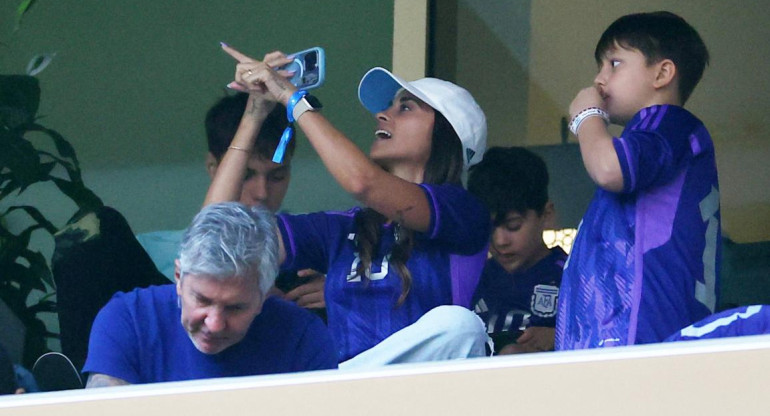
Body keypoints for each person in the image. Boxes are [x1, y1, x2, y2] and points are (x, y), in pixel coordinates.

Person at [208, 45, 491, 367]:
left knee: (459, 326)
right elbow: (216, 236)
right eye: (388, 107)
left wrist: (293, 99)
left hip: (426, 389)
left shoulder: (464, 211)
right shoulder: (342, 227)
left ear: (447, 134)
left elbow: (363, 183)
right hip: (348, 391)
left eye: (406, 108)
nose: (382, 114)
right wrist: (254, 112)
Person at [556, 11, 721, 349]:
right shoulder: (654, 133)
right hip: (618, 340)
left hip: (639, 335)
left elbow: (608, 169)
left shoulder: (669, 122)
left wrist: (587, 118)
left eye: (614, 64)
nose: (599, 80)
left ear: (662, 73)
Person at [82, 202, 337, 387]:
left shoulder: (303, 336)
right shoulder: (127, 319)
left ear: (264, 295)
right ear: (179, 278)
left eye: (235, 307)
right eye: (202, 300)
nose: (214, 324)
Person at [136, 92, 326, 315]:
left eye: (277, 177)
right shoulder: (149, 254)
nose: (262, 193)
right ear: (213, 168)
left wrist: (342, 292)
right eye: (246, 175)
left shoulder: (316, 249)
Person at [467, 146, 567, 354]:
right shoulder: (474, 277)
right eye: (489, 227)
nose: (500, 240)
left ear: (547, 215)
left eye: (513, 225)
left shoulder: (570, 277)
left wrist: (558, 336)